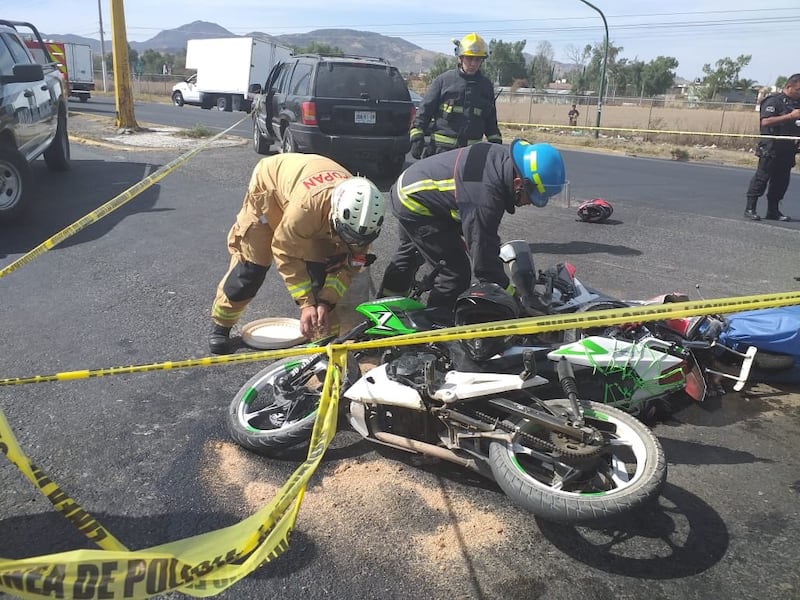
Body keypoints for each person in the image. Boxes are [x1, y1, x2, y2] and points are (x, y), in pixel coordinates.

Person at [208, 154, 385, 354]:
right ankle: (221, 325)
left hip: (313, 206)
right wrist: (306, 304)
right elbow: (284, 250)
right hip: (269, 190)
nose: (351, 243)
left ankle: (324, 340)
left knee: (321, 273)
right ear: (335, 214)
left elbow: (351, 265)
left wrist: (327, 301)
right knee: (251, 269)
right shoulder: (306, 209)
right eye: (345, 237)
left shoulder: (365, 223)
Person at [378, 139, 566, 310]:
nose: (530, 203)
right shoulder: (485, 197)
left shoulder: (501, 162)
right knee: (454, 274)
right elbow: (484, 261)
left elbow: (480, 236)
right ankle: (436, 328)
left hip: (415, 187)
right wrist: (515, 299)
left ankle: (385, 309)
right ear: (518, 183)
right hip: (415, 203)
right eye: (532, 197)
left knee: (412, 253)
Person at [409, 33, 502, 159]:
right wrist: (417, 137)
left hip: (471, 155)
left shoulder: (486, 87)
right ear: (460, 58)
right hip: (440, 153)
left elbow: (491, 122)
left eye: (477, 59)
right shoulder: (443, 81)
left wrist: (496, 146)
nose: (473, 63)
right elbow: (424, 112)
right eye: (469, 58)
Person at [743, 74, 800, 222]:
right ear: (789, 87)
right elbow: (765, 122)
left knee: (781, 182)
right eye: (798, 89)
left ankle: (773, 211)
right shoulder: (774, 101)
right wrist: (790, 116)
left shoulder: (797, 104)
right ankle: (750, 208)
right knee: (761, 178)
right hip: (771, 147)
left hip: (788, 149)